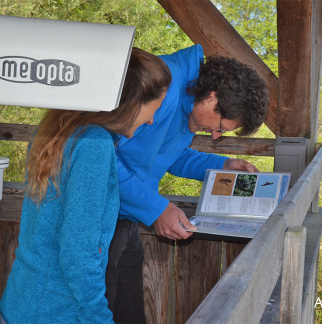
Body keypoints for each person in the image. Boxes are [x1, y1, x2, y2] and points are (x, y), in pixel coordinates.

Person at [0, 47, 171, 324]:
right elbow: (78, 254)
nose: (152, 119)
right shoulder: (94, 144)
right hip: (56, 312)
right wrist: (100, 319)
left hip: (23, 300)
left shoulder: (55, 131)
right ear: (131, 101)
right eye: (155, 108)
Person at [106, 44, 269, 323]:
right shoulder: (161, 89)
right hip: (96, 214)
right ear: (211, 98)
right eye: (220, 126)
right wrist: (156, 209)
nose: (216, 136)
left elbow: (167, 153)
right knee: (96, 310)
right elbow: (100, 160)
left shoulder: (188, 102)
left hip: (125, 214)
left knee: (129, 313)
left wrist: (221, 166)